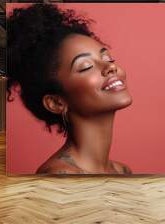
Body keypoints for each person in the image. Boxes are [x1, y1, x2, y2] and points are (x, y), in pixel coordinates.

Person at [7, 3, 133, 174]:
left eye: (108, 58)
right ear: (56, 102)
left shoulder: (122, 171)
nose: (110, 67)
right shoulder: (58, 177)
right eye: (86, 66)